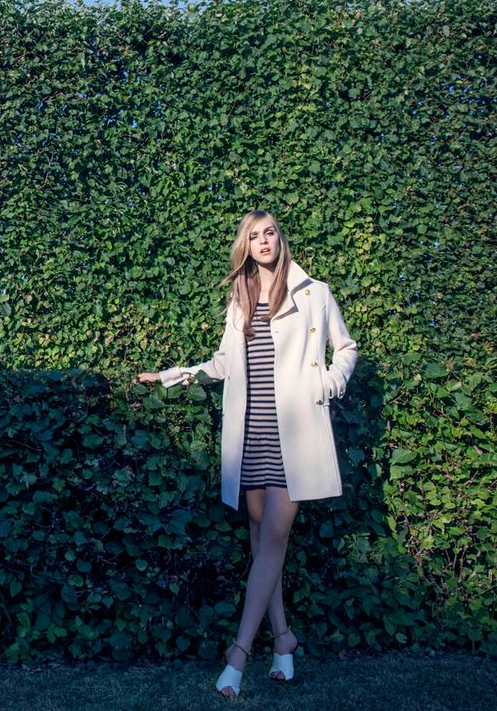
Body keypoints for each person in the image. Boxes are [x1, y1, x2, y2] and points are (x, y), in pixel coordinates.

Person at [137, 209, 357, 698]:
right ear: (246, 246)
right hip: (251, 434)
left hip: (295, 433)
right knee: (262, 547)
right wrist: (173, 375)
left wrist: (329, 382)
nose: (263, 241)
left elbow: (347, 348)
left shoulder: (314, 293)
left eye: (270, 232)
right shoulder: (240, 299)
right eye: (254, 236)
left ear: (280, 239)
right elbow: (223, 362)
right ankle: (283, 642)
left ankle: (237, 656)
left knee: (273, 539)